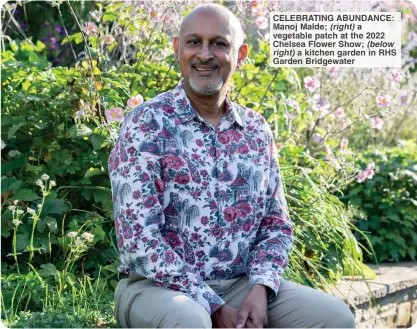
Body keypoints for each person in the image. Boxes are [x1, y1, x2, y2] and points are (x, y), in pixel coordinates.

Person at [108, 3, 355, 328]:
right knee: (192, 321)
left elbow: (275, 225)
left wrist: (260, 288)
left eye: (219, 44)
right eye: (194, 42)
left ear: (241, 54)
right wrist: (210, 303)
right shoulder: (148, 123)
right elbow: (138, 238)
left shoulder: (255, 130)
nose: (205, 54)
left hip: (241, 285)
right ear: (177, 49)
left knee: (334, 318)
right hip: (157, 289)